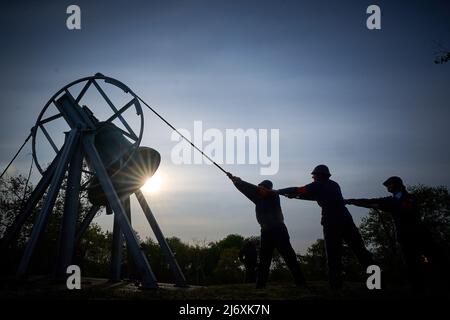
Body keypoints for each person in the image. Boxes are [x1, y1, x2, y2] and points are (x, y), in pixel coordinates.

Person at [345, 176, 449, 293]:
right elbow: (371, 202)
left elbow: (404, 209)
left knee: (436, 258)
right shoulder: (391, 200)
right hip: (404, 237)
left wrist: (389, 206)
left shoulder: (409, 198)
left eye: (389, 184)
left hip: (420, 235)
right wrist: (351, 201)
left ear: (395, 184)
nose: (387, 187)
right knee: (411, 263)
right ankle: (418, 288)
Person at [278, 165, 373, 289]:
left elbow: (298, 189)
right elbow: (314, 196)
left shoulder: (317, 185)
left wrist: (277, 191)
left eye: (314, 175)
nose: (312, 178)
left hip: (331, 222)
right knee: (361, 251)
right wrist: (296, 196)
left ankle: (335, 286)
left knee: (333, 254)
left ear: (319, 175)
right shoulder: (334, 184)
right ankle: (377, 282)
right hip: (346, 220)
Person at [226, 172, 306, 288]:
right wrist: (235, 181)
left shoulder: (274, 196)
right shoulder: (257, 198)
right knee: (264, 260)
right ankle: (260, 285)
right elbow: (246, 190)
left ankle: (301, 283)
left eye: (262, 187)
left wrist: (241, 181)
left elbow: (252, 188)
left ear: (268, 189)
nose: (260, 189)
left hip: (279, 230)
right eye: (259, 187)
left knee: (289, 257)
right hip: (266, 232)